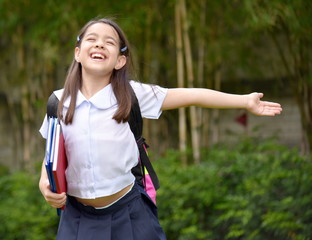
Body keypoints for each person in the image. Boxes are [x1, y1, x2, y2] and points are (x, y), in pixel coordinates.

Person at [38, 18, 282, 240]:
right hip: (78, 218)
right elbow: (52, 153)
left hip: (129, 212)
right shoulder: (57, 103)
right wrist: (44, 185)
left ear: (120, 60)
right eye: (92, 39)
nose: (100, 45)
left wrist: (244, 101)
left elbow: (191, 95)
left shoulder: (132, 94)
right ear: (78, 53)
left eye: (109, 42)